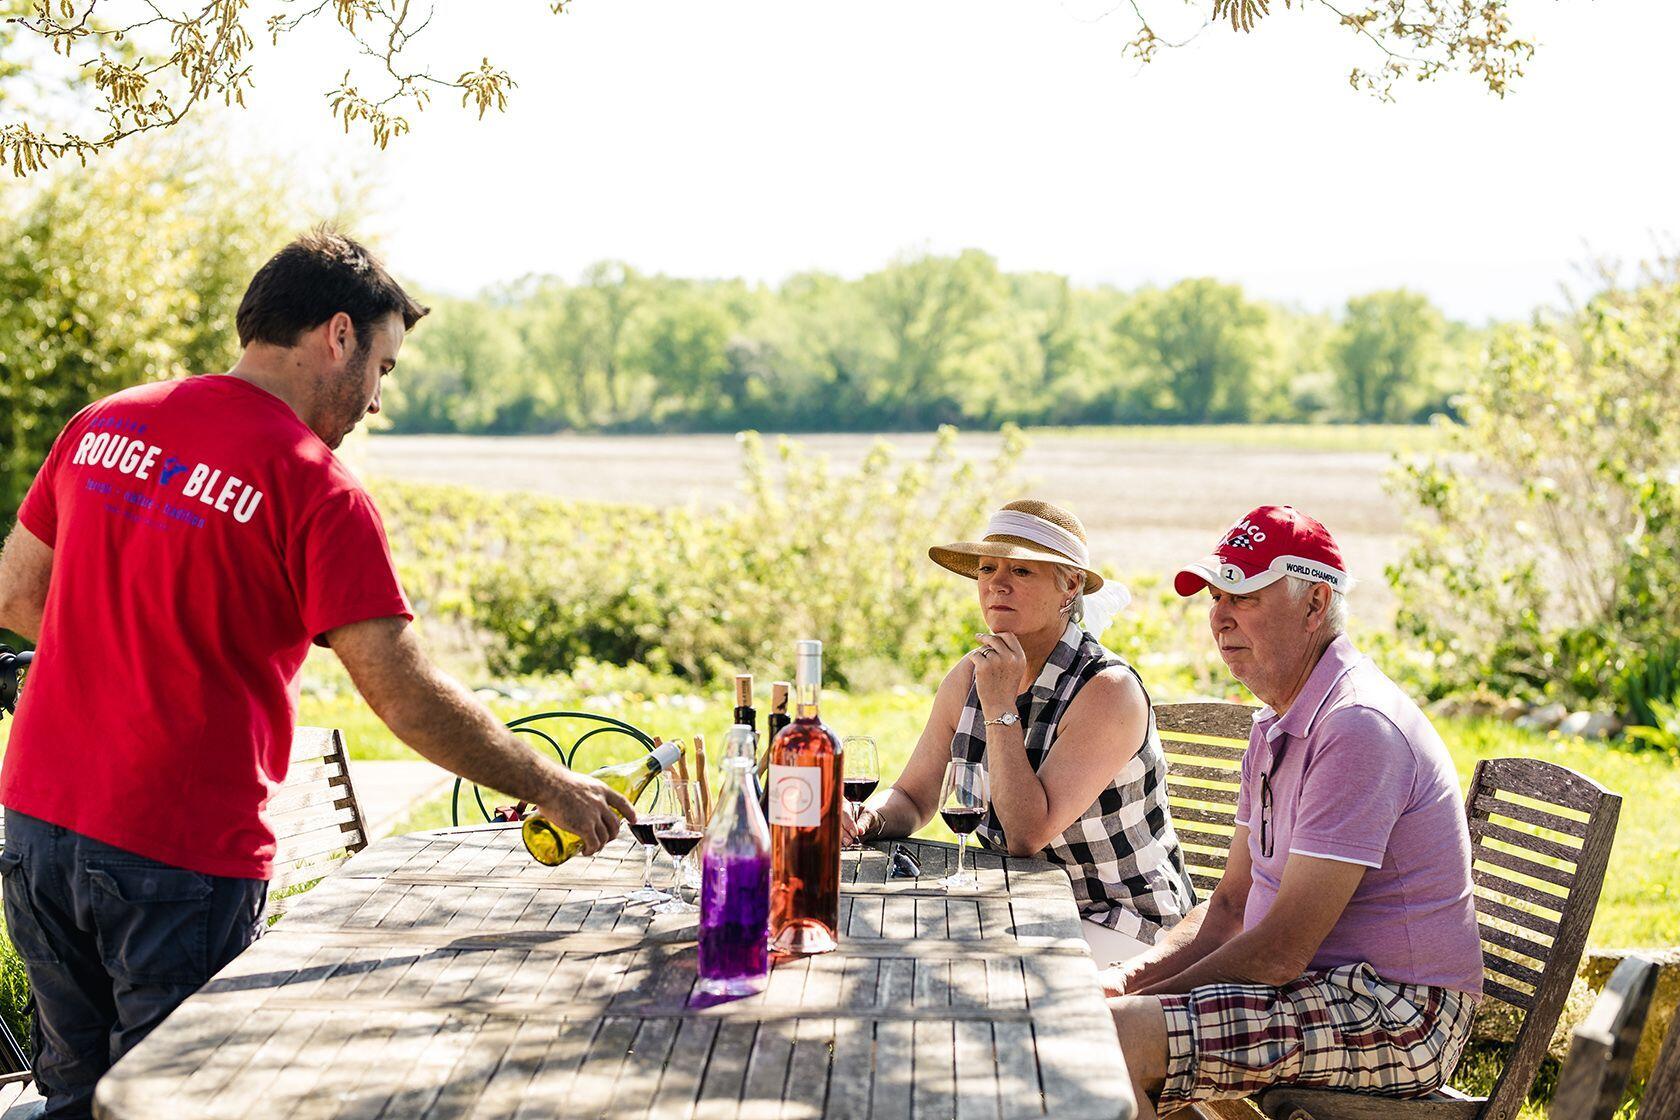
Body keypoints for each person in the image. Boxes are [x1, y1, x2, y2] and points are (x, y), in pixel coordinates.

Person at [0, 229, 634, 1119]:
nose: (377, 400)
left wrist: (136, 636)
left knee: (74, 1101)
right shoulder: (314, 487)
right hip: (174, 857)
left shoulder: (104, 424)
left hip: (37, 831)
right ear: (338, 336)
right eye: (385, 366)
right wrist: (549, 783)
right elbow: (401, 693)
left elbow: (18, 594)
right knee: (178, 1106)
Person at [1107, 505, 1482, 1120]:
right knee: (1113, 1027)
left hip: (1401, 1013)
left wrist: (1128, 1007)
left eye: (1245, 595)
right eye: (1214, 595)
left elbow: (1280, 950)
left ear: (1314, 605)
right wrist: (1125, 981)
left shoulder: (1358, 726)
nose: (1219, 617)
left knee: (1113, 1039)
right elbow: (1229, 906)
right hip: (1318, 989)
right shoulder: (1279, 721)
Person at [845, 499, 1197, 963]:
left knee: (950, 964)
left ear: (1069, 585)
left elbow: (1026, 836)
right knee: (872, 936)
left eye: (1022, 571)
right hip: (1015, 905)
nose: (997, 584)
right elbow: (913, 796)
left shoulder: (1107, 690)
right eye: (988, 569)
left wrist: (998, 705)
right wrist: (864, 819)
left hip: (1119, 920)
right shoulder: (968, 676)